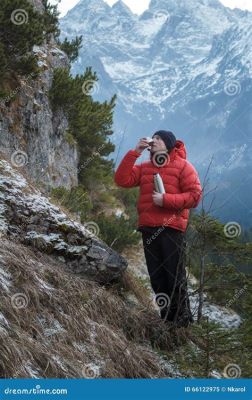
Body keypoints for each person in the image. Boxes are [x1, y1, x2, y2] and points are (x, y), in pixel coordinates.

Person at [114, 130, 203, 327]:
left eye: (158, 139)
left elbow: (195, 196)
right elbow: (121, 180)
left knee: (174, 276)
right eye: (152, 138)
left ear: (169, 145)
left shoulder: (183, 166)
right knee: (157, 278)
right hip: (148, 229)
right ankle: (167, 319)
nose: (153, 141)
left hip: (171, 229)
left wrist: (166, 200)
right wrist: (135, 152)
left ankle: (181, 322)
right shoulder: (145, 167)